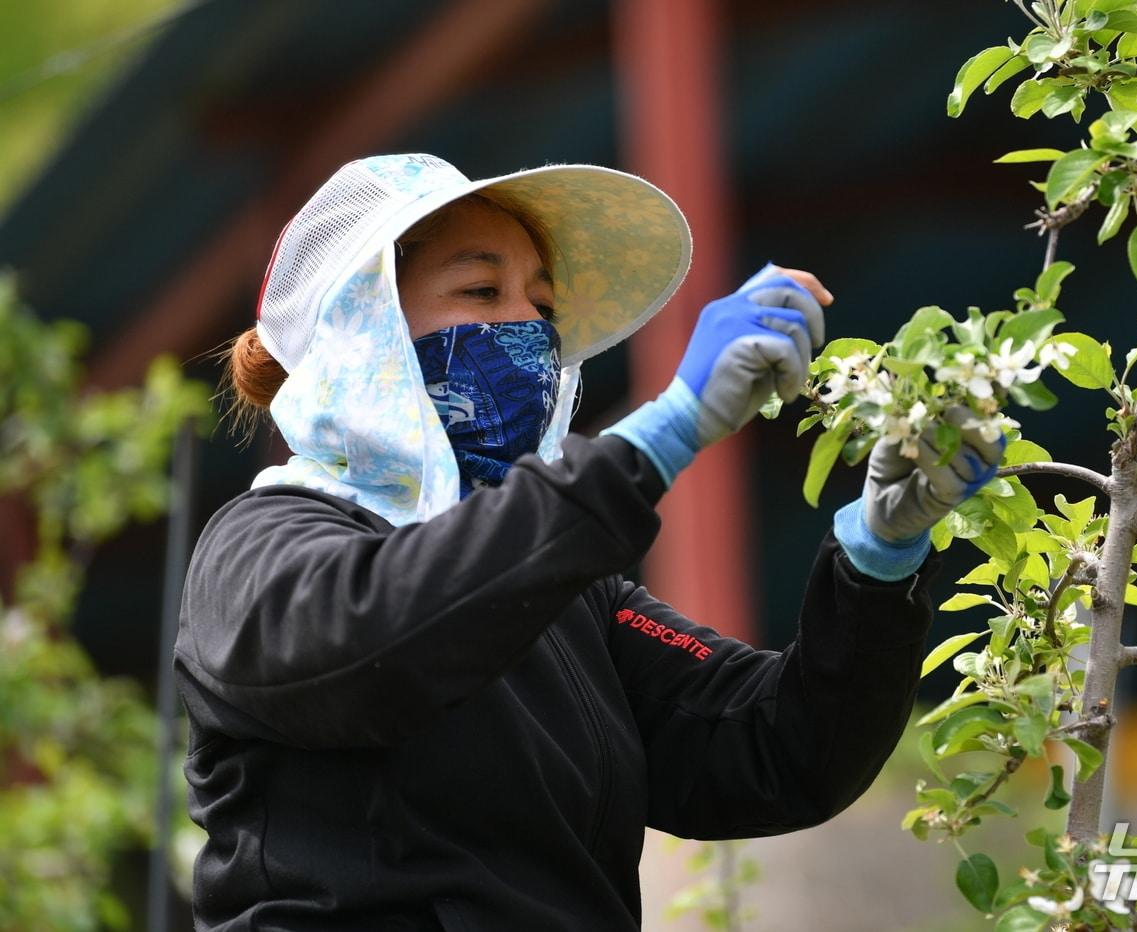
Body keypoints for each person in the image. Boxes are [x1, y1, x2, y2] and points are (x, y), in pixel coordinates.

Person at [176, 153, 1006, 931]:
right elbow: (375, 643)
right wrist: (665, 430)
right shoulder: (261, 546)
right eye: (480, 292)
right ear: (362, 332)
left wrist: (877, 558)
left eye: (541, 305)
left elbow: (782, 751)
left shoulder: (570, 593)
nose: (528, 332)